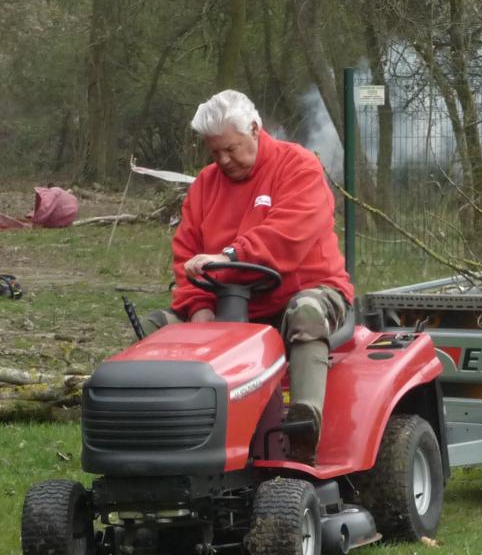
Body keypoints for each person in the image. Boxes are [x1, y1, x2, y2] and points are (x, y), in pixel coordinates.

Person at [144, 89, 354, 462]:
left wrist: (228, 257)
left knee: (305, 311)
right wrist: (197, 307)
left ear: (255, 129)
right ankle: (164, 432)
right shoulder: (205, 187)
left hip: (308, 291)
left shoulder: (299, 168)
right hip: (230, 305)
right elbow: (185, 255)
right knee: (157, 329)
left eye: (231, 149)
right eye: (214, 152)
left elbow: (286, 238)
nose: (223, 160)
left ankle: (305, 428)